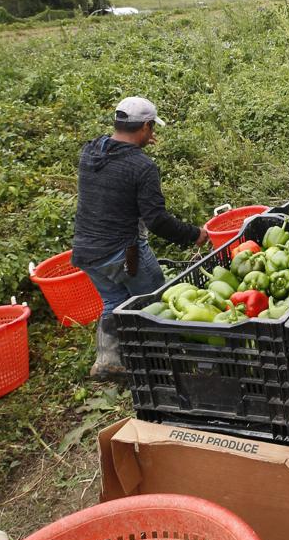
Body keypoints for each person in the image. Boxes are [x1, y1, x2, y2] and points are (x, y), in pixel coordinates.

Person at [72, 96, 208, 380]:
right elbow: (156, 220)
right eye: (151, 129)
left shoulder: (91, 151)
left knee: (114, 302)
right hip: (124, 253)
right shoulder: (141, 167)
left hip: (86, 250)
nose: (152, 134)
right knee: (156, 303)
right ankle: (173, 367)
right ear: (145, 127)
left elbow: (115, 167)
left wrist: (136, 149)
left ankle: (108, 361)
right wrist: (195, 235)